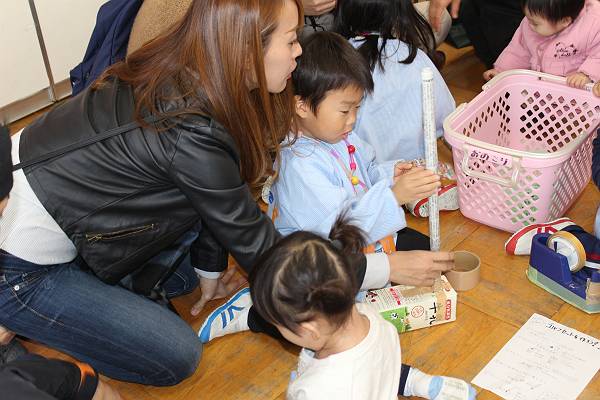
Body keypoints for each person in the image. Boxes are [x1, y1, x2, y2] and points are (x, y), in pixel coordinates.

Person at [0, 0, 454, 386]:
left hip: (77, 212)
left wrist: (210, 268)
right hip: (19, 261)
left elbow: (217, 196)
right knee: (176, 356)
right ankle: (18, 340)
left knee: (185, 281)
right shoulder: (190, 127)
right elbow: (264, 248)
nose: (299, 52)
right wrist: (382, 268)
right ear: (248, 47)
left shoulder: (200, 75)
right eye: (291, 40)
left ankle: (90, 290)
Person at [249, 216, 476, 400]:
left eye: (279, 326)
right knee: (379, 373)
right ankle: (417, 381)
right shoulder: (372, 316)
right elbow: (381, 367)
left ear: (310, 329)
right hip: (377, 385)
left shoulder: (316, 390)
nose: (279, 331)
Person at [272, 31, 439, 248]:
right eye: (345, 111)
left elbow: (364, 173)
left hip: (367, 236)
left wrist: (390, 175)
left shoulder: (340, 134)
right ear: (302, 106)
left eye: (357, 108)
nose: (352, 119)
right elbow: (339, 230)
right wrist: (394, 196)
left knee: (432, 251)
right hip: (331, 257)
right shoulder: (299, 166)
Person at [483, 0, 600, 88]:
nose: (529, 24)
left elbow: (598, 55)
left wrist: (586, 75)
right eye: (527, 18)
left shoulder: (593, 25)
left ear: (565, 21)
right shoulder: (531, 21)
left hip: (576, 95)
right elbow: (518, 49)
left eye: (535, 23)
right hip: (542, 91)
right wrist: (502, 71)